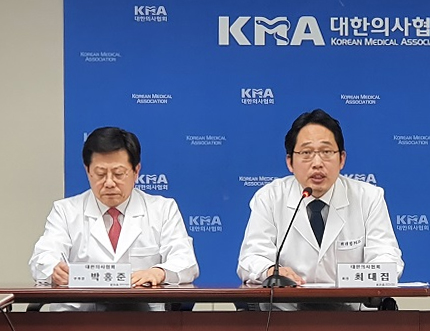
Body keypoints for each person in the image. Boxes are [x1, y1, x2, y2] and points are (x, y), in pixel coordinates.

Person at [237, 109, 404, 309]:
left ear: (342, 159)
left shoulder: (368, 197)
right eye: (306, 153)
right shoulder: (270, 197)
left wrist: (365, 277)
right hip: (283, 315)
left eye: (326, 152)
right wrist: (271, 270)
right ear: (290, 162)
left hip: (353, 317)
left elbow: (387, 257)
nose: (317, 163)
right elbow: (251, 258)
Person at [29, 127, 199, 311]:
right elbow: (43, 257)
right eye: (100, 174)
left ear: (136, 171)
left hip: (146, 319)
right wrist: (54, 270)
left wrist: (159, 272)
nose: (109, 183)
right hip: (76, 317)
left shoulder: (162, 209)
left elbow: (185, 261)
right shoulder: (66, 211)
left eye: (118, 174)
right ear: (87, 171)